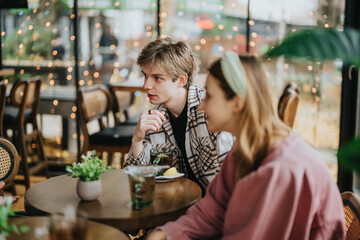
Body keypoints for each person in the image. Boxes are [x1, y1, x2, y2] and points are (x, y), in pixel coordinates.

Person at [146, 51, 345, 239]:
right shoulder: (246, 147)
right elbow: (214, 209)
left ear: (237, 104)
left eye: (210, 96)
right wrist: (167, 233)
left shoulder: (280, 168)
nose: (201, 105)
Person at [124, 38, 234, 194]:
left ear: (181, 80)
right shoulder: (155, 119)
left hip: (215, 207)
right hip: (178, 204)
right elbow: (138, 183)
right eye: (145, 76)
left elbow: (233, 177)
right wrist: (137, 139)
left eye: (157, 78)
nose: (146, 85)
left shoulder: (211, 109)